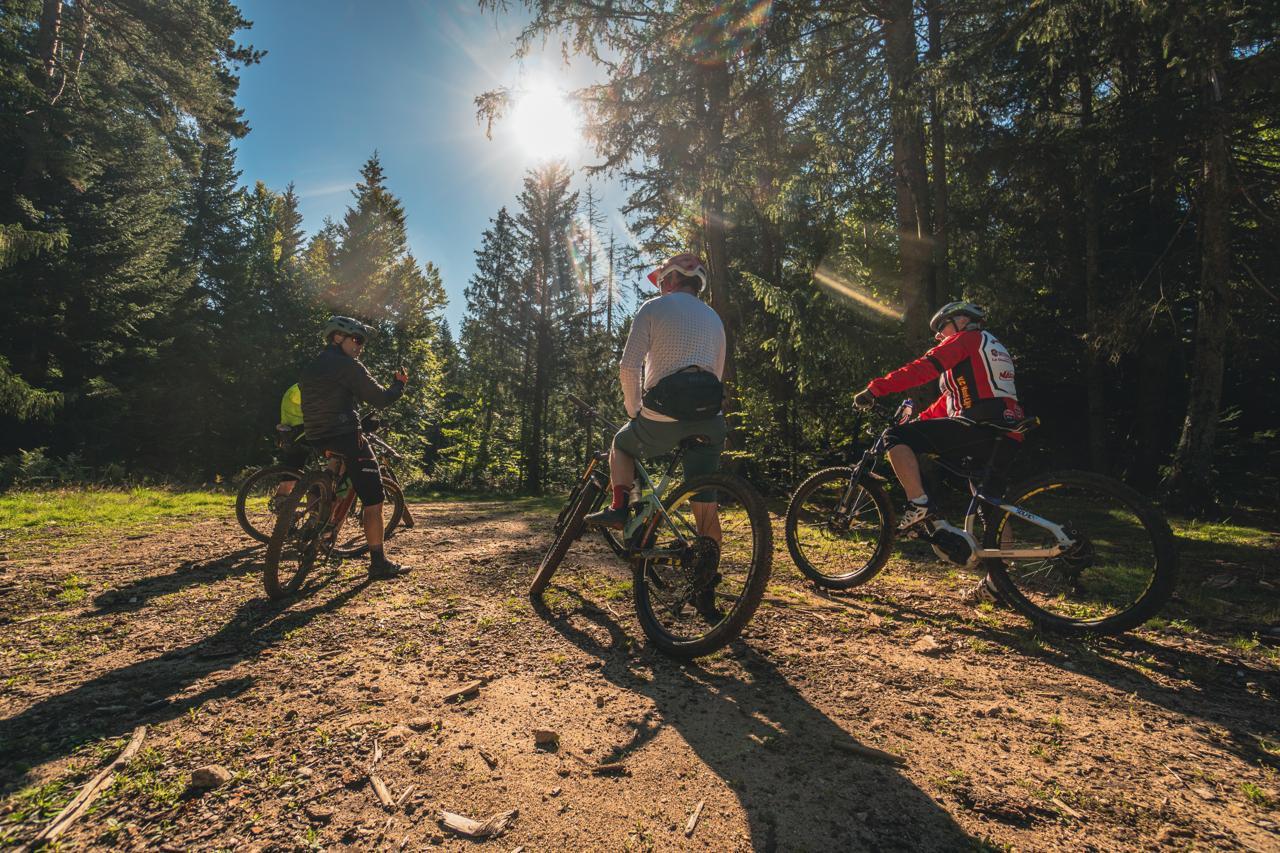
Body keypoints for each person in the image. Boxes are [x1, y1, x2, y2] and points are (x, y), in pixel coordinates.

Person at [853, 301, 1025, 601]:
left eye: (941, 327)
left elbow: (922, 369)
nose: (937, 336)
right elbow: (947, 404)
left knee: (896, 436)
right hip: (1005, 431)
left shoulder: (967, 339)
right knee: (990, 506)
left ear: (961, 321)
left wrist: (876, 389)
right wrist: (919, 422)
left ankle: (918, 504)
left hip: (979, 426)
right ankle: (1000, 583)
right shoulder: (989, 348)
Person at [584, 253, 727, 544]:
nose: (660, 288)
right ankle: (706, 572)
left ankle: (620, 508)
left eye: (661, 281)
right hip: (709, 420)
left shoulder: (653, 308)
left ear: (673, 277)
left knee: (621, 445)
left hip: (662, 415)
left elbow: (628, 366)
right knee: (705, 501)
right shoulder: (714, 318)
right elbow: (718, 374)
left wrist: (634, 409)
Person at [299, 316, 409, 580]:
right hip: (346, 435)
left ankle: (317, 522)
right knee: (374, 499)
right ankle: (379, 562)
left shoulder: (312, 366)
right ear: (338, 338)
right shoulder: (349, 366)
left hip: (316, 435)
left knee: (332, 476)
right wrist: (399, 384)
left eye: (363, 343)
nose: (360, 346)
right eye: (356, 339)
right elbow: (381, 398)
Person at [273, 383, 310, 498]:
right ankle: (284, 500)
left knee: (293, 465)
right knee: (295, 463)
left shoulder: (299, 386)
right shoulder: (306, 388)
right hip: (300, 430)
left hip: (291, 430)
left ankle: (282, 499)